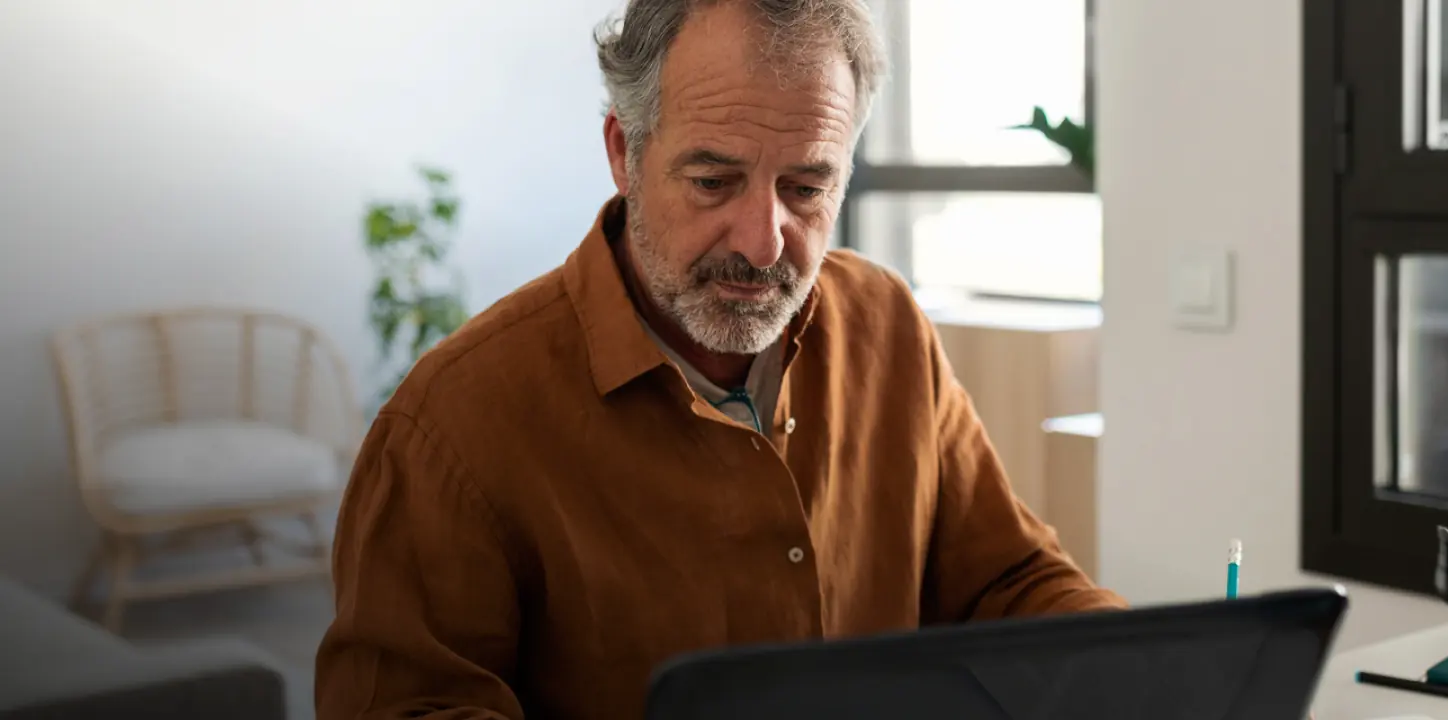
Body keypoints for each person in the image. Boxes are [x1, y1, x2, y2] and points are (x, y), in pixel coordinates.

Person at [312, 0, 1125, 717]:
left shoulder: (888, 329)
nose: (764, 242)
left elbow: (1005, 583)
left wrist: (1158, 670)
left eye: (807, 188)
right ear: (624, 153)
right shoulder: (454, 422)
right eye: (713, 181)